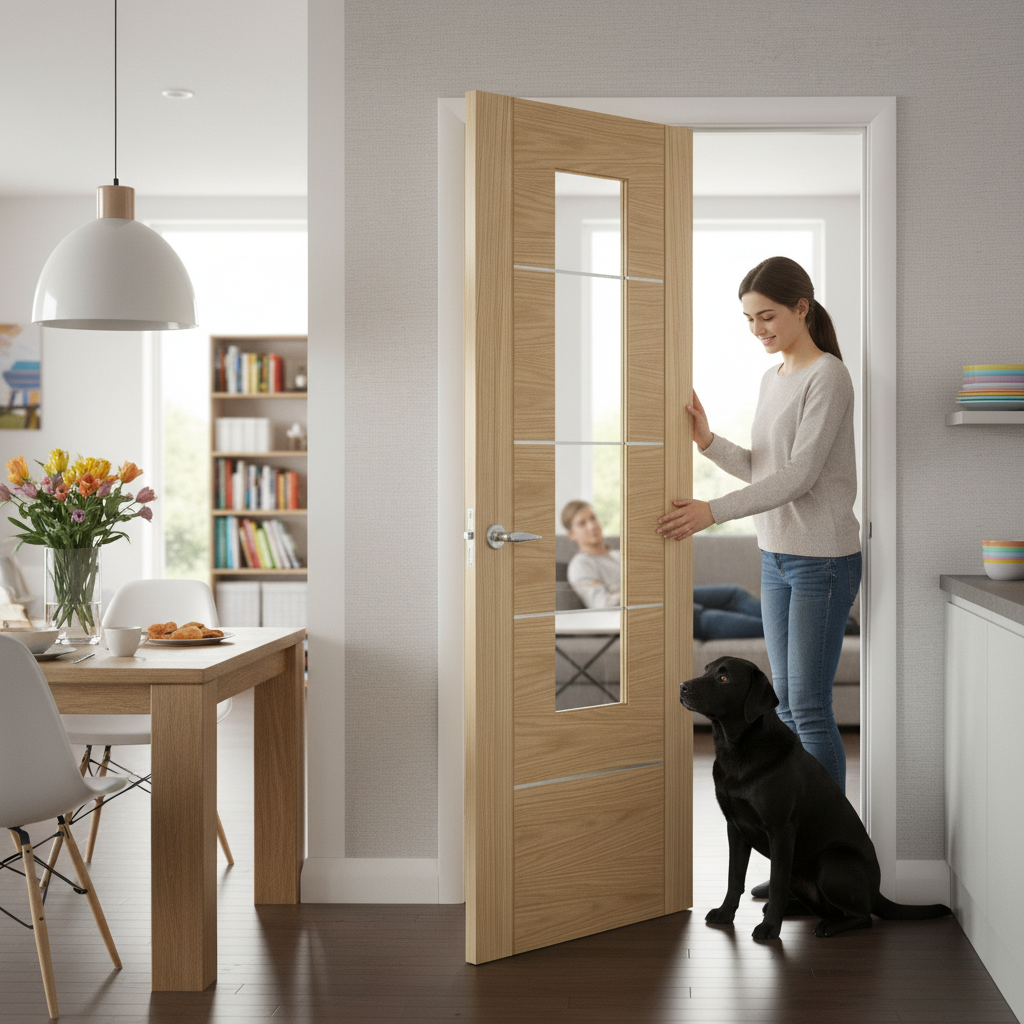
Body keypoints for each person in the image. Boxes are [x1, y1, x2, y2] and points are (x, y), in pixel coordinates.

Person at [655, 255, 861, 799]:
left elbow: (800, 476)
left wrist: (712, 512)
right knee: (787, 707)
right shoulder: (773, 379)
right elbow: (765, 467)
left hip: (824, 561)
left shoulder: (829, 377)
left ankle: (827, 852)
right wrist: (707, 441)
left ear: (802, 307)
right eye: (749, 319)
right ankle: (795, 853)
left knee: (810, 707)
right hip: (776, 556)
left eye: (767, 317)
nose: (758, 330)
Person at [561, 500, 764, 640]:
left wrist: (628, 589)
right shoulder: (580, 565)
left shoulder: (617, 554)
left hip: (660, 596)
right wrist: (638, 591)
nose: (591, 526)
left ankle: (780, 621)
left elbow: (647, 581)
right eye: (582, 523)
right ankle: (781, 630)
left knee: (733, 592)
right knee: (700, 614)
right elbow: (602, 603)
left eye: (593, 518)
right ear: (571, 534)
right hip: (643, 613)